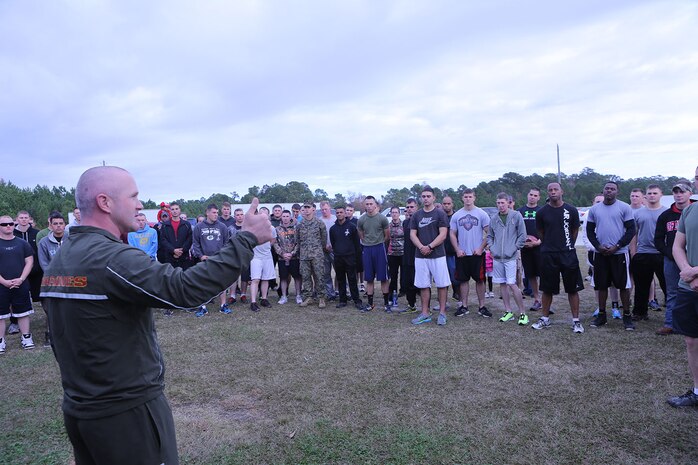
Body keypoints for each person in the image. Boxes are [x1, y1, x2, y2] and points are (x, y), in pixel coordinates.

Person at [40, 166, 271, 463]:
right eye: (133, 196)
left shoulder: (65, 255)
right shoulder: (111, 258)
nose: (139, 204)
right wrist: (246, 238)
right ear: (104, 202)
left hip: (81, 409)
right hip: (126, 414)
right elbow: (185, 289)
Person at [531, 182, 585, 333]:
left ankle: (576, 321)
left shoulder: (571, 210)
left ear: (562, 191)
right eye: (550, 190)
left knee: (572, 289)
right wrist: (550, 245)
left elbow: (574, 231)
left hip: (568, 254)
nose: (553, 192)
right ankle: (545, 318)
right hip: (548, 255)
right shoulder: (542, 212)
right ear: (547, 193)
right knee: (547, 289)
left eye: (556, 189)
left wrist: (567, 246)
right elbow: (540, 232)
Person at [667, 166, 698, 407]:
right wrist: (687, 271)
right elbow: (678, 246)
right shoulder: (689, 211)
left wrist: (695, 271)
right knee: (691, 341)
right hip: (688, 287)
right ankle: (697, 391)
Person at [586, 181, 636, 331]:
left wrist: (618, 246)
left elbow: (631, 230)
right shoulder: (594, 209)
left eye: (612, 189)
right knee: (601, 285)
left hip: (619, 253)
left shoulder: (624, 207)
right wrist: (598, 246)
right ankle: (602, 315)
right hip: (601, 254)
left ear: (617, 192)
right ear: (603, 191)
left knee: (623, 286)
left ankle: (627, 315)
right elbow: (589, 231)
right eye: (607, 188)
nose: (609, 191)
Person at [654, 181, 695, 335]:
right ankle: (670, 323)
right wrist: (670, 253)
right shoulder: (666, 215)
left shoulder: (695, 211)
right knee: (672, 292)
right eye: (676, 192)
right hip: (672, 260)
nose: (678, 195)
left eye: (682, 192)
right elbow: (658, 240)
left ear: (690, 193)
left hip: (693, 259)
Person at [410, 186, 451, 326]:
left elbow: (443, 234)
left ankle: (442, 313)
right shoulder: (416, 215)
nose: (426, 198)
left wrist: (430, 246)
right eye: (423, 196)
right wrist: (421, 247)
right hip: (420, 256)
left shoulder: (440, 214)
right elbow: (412, 234)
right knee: (423, 285)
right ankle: (425, 313)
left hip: (438, 255)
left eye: (428, 196)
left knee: (441, 284)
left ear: (434, 197)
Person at [449, 188, 492, 318]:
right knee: (463, 280)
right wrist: (457, 249)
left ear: (474, 198)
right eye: (465, 197)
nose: (468, 199)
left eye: (470, 196)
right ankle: (464, 306)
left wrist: (481, 248)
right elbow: (452, 233)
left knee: (480, 280)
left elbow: (489, 232)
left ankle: (482, 306)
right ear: (462, 198)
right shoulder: (457, 215)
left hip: (477, 254)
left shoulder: (481, 214)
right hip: (462, 253)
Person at [488, 193, 528, 325]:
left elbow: (522, 235)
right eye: (498, 203)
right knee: (502, 284)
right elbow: (490, 236)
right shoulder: (494, 218)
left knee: (512, 283)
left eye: (503, 203)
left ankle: (522, 313)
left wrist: (514, 248)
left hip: (510, 257)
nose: (500, 205)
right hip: (497, 257)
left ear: (508, 203)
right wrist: (492, 249)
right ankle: (508, 311)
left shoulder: (516, 216)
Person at [630, 184, 667, 321]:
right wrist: (634, 253)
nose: (652, 196)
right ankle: (640, 312)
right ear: (645, 196)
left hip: (661, 254)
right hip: (643, 254)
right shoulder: (638, 213)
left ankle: (672, 314)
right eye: (650, 193)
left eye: (655, 193)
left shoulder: (666, 212)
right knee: (641, 286)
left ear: (661, 194)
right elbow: (634, 234)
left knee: (667, 285)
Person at [0, 214, 36, 353]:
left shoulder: (23, 243)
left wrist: (21, 279)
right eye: (4, 224)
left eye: (10, 223)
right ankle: (1, 341)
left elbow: (29, 262)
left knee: (23, 312)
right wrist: (4, 281)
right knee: (1, 314)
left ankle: (26, 337)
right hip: (1, 285)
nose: (8, 226)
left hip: (21, 284)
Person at [191, 203, 231, 316]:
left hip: (219, 259)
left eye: (217, 213)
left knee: (221, 283)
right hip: (204, 259)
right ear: (207, 213)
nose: (216, 215)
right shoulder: (199, 227)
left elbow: (227, 243)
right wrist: (200, 256)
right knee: (203, 283)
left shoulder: (222, 227)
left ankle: (223, 305)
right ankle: (203, 306)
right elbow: (196, 243)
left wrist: (222, 255)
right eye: (214, 212)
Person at [37, 212, 66, 346]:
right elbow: (44, 263)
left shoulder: (72, 239)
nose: (58, 226)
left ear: (64, 225)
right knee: (52, 308)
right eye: (55, 224)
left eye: (61, 223)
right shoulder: (44, 242)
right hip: (52, 280)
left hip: (72, 279)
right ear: (50, 225)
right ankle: (50, 334)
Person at [357, 196, 390, 312]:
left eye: (371, 204)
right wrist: (367, 242)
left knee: (383, 277)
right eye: (367, 204)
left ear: (375, 205)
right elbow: (360, 233)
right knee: (369, 278)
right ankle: (370, 304)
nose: (369, 206)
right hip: (367, 249)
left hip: (379, 248)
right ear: (364, 205)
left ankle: (386, 304)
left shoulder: (382, 218)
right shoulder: (361, 219)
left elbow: (387, 235)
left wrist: (378, 242)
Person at [330, 206, 363, 309]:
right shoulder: (333, 229)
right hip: (338, 258)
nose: (339, 214)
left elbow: (357, 244)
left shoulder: (352, 227)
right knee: (340, 279)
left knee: (352, 279)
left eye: (341, 212)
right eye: (337, 212)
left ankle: (356, 300)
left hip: (350, 257)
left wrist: (357, 259)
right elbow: (333, 242)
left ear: (345, 213)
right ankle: (342, 300)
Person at [297, 202, 328, 308]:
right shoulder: (300, 224)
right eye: (304, 207)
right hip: (304, 255)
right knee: (305, 277)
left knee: (319, 276)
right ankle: (308, 297)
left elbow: (323, 240)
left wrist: (318, 250)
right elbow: (298, 240)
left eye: (308, 207)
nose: (306, 209)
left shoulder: (320, 223)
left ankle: (321, 298)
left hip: (317, 255)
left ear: (313, 209)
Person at [518, 188, 543, 310]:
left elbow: (548, 230)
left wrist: (538, 242)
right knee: (531, 274)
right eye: (531, 194)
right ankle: (537, 299)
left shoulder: (542, 211)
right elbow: (515, 230)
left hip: (540, 248)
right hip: (525, 249)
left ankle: (546, 300)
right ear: (527, 195)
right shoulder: (520, 212)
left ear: (539, 198)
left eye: (535, 195)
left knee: (544, 274)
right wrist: (521, 242)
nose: (532, 197)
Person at [273, 210, 302, 304]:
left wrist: (292, 253)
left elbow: (298, 242)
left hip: (294, 257)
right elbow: (275, 243)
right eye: (284, 216)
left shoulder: (296, 228)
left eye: (287, 216)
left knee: (297, 277)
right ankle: (284, 296)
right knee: (283, 278)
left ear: (290, 217)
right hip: (282, 258)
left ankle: (298, 295)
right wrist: (282, 253)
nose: (285, 218)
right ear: (281, 217)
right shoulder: (277, 229)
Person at [157, 202, 193, 270]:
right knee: (171, 279)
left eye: (176, 209)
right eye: (172, 209)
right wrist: (173, 250)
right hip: (170, 257)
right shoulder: (165, 225)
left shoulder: (186, 224)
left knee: (184, 278)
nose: (175, 211)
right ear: (170, 211)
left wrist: (181, 250)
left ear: (180, 210)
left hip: (184, 257)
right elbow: (163, 240)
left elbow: (189, 239)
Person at [399, 198, 419, 313]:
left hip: (419, 256)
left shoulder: (420, 221)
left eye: (412, 207)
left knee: (420, 283)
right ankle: (411, 305)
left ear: (416, 207)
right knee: (407, 282)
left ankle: (426, 307)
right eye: (407, 207)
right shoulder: (405, 222)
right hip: (406, 256)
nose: (409, 209)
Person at [319, 201, 337, 300]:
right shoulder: (319, 221)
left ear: (330, 208)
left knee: (339, 271)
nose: (324, 211)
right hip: (323, 250)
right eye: (322, 209)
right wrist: (324, 245)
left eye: (326, 209)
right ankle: (330, 293)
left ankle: (342, 291)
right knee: (326, 273)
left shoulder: (335, 219)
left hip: (335, 250)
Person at [387, 206, 404, 306]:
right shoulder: (388, 226)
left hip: (403, 253)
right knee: (393, 276)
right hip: (392, 254)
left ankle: (404, 291)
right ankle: (392, 295)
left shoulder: (404, 225)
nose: (394, 214)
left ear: (399, 213)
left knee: (404, 275)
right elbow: (386, 239)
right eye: (392, 212)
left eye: (396, 212)